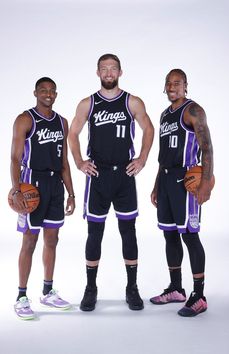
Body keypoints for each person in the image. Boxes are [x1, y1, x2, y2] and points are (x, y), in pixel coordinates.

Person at [69, 53, 154, 311]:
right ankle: (90, 288)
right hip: (98, 175)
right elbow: (72, 133)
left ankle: (132, 288)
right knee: (95, 233)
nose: (108, 73)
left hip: (124, 176)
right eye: (104, 69)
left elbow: (148, 129)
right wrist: (79, 162)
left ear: (120, 72)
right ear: (97, 72)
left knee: (128, 232)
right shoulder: (88, 103)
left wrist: (142, 158)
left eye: (113, 68)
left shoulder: (132, 102)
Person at [150, 69, 214, 317]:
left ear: (186, 86)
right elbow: (162, 155)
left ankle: (199, 296)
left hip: (186, 180)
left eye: (177, 83)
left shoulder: (193, 110)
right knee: (169, 234)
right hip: (166, 179)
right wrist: (157, 184)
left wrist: (206, 183)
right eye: (168, 83)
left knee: (190, 236)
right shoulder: (165, 115)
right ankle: (176, 289)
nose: (172, 86)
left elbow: (207, 149)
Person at [10, 77, 75, 320]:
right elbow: (15, 158)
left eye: (51, 91)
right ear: (35, 93)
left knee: (52, 239)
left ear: (56, 95)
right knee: (29, 241)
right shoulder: (25, 119)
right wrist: (16, 189)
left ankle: (47, 291)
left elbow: (64, 161)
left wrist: (71, 192)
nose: (48, 94)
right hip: (32, 185)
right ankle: (21, 296)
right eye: (43, 91)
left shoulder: (62, 122)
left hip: (55, 184)